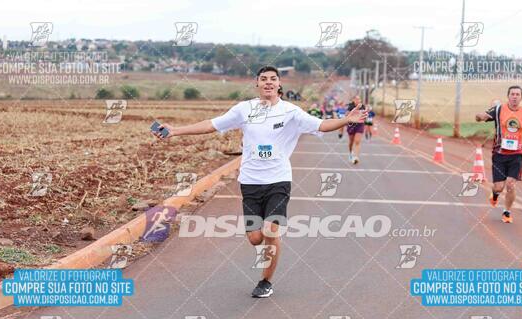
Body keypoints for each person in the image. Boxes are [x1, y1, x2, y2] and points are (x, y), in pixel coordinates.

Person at [152, 66, 367, 297]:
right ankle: (270, 239)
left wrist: (346, 120)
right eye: (263, 79)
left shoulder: (291, 112)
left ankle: (265, 281)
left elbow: (321, 125)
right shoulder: (244, 110)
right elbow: (211, 125)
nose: (268, 82)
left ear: (279, 85)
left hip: (279, 181)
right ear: (257, 84)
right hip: (251, 182)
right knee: (255, 238)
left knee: (270, 231)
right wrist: (175, 131)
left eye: (273, 79)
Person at [475, 85, 522, 223]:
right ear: (508, 96)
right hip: (499, 154)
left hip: (516, 155)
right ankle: (495, 195)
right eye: (512, 94)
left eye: (517, 94)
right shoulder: (499, 109)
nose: (514, 96)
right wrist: (479, 117)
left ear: (521, 97)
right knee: (499, 186)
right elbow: (483, 116)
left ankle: (506, 212)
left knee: (511, 184)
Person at [346, 96, 365, 164]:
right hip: (351, 125)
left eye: (359, 99)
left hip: (360, 125)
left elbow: (364, 115)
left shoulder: (363, 106)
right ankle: (351, 153)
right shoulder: (350, 106)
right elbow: (347, 115)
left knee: (357, 141)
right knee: (351, 141)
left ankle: (356, 157)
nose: (358, 100)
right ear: (353, 100)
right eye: (356, 99)